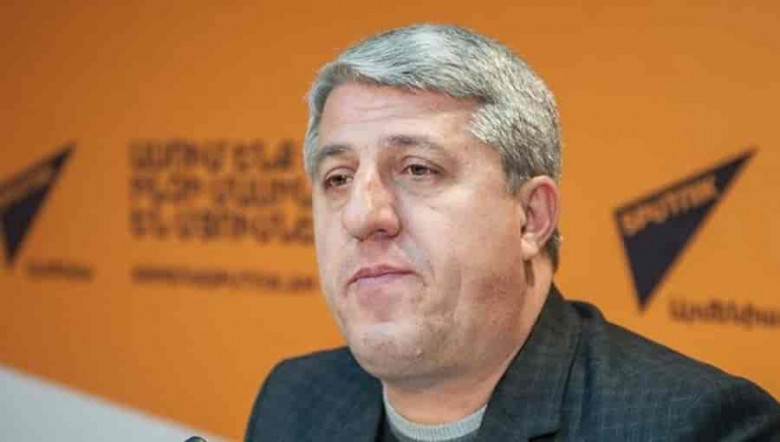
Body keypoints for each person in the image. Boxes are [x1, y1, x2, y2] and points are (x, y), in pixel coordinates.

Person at [244, 24, 780, 441]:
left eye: (417, 169)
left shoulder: (694, 428)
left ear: (531, 218)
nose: (362, 216)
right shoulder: (294, 400)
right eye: (338, 178)